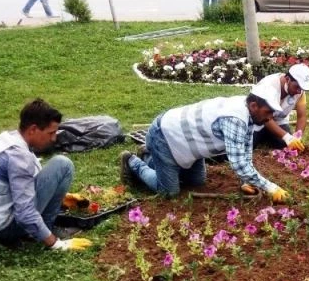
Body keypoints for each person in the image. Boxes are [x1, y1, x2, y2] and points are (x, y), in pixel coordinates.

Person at [119, 86, 290, 203]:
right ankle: (132, 162)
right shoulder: (235, 118)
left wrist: (246, 180)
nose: (270, 118)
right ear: (254, 105)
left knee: (197, 181)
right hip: (165, 136)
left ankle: (150, 155)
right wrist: (270, 188)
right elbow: (238, 163)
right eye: (268, 112)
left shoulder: (250, 111)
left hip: (185, 144)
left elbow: (244, 152)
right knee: (169, 191)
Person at [0, 99, 91, 251]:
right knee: (63, 164)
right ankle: (43, 230)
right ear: (33, 129)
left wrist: (62, 196)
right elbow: (24, 214)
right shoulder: (19, 158)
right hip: (4, 228)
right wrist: (57, 244)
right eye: (51, 133)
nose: (54, 138)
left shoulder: (5, 141)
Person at [252, 64, 309, 151]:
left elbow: (302, 116)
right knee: (249, 144)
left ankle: (267, 134)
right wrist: (287, 137)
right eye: (297, 86)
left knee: (283, 144)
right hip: (257, 120)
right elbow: (265, 117)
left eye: (301, 88)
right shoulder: (269, 86)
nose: (299, 91)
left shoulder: (299, 92)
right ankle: (262, 134)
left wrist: (297, 137)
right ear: (287, 79)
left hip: (278, 120)